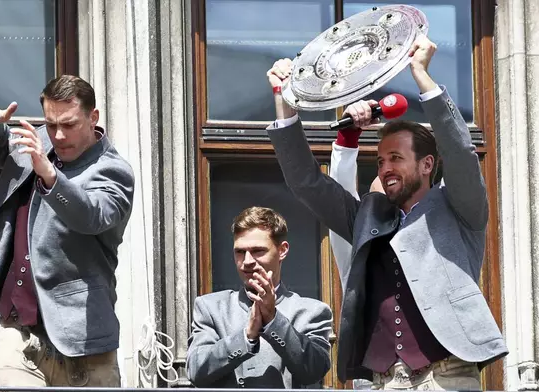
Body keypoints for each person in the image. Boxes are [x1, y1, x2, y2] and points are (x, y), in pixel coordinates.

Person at [265, 35, 508, 390]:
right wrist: (283, 100)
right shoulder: (368, 218)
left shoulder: (460, 208)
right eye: (380, 161)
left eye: (396, 158)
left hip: (447, 376)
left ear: (427, 164)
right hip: (380, 381)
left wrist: (420, 74)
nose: (385, 168)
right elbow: (306, 183)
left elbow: (459, 152)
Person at [0, 75, 134, 387]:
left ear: (93, 117)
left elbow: (91, 216)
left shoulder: (114, 171)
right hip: (16, 331)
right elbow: (3, 151)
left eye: (69, 124)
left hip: (83, 342)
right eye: (51, 123)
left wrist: (50, 175)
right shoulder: (41, 139)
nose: (58, 135)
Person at [186, 206, 332, 388]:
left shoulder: (311, 311)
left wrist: (273, 320)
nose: (247, 261)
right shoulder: (211, 307)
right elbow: (195, 371)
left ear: (282, 250)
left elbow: (314, 370)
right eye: (240, 252)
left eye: (258, 251)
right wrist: (246, 337)